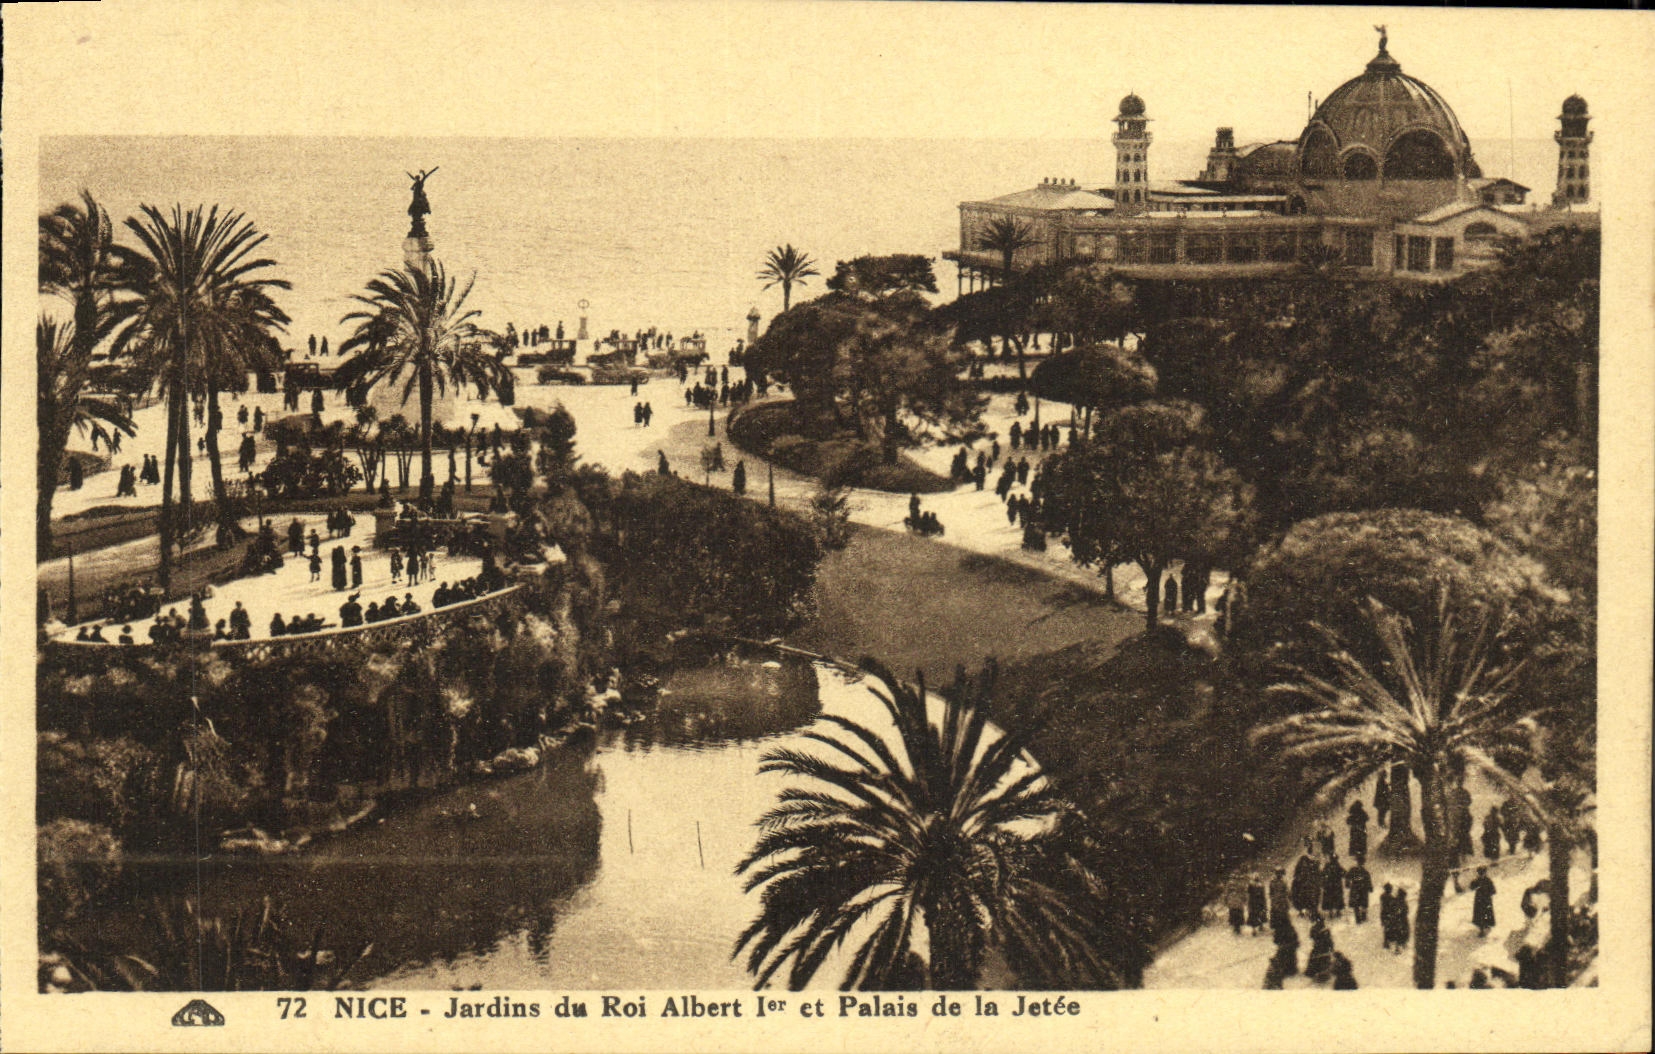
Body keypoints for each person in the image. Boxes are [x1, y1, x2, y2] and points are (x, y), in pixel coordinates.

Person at [1305, 914, 1334, 983]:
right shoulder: (1325, 929)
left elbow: (1311, 936)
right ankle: (1323, 975)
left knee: (1316, 959)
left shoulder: (1315, 928)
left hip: (1318, 947)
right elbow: (1329, 940)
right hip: (1323, 948)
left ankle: (1315, 973)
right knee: (1323, 960)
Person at [1345, 854, 1373, 924]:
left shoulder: (1353, 870)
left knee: (1356, 904)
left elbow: (1347, 877)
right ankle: (1363, 917)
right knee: (1362, 904)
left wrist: (1347, 884)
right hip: (1362, 889)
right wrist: (1370, 888)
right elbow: (1368, 881)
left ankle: (1359, 918)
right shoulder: (1365, 871)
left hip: (1355, 888)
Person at [1470, 865, 1497, 937]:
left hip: (1486, 900)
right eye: (1480, 873)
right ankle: (1481, 930)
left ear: (1485, 873)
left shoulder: (1488, 880)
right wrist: (1475, 885)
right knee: (1480, 915)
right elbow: (1471, 887)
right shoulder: (1476, 880)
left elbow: (1494, 891)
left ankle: (1486, 925)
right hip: (1479, 901)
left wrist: (1489, 892)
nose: (1481, 875)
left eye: (1482, 873)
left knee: (1486, 913)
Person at [1320, 853, 1346, 918]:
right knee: (1337, 898)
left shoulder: (1328, 866)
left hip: (1329, 886)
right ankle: (1337, 912)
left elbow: (1322, 875)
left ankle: (1331, 912)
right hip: (1336, 886)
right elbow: (1344, 873)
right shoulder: (1337, 866)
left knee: (1330, 899)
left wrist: (1323, 882)